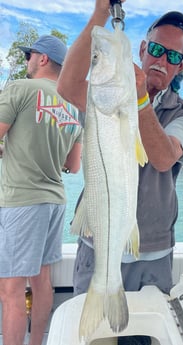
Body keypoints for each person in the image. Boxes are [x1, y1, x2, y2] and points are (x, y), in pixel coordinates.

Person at [57, 1, 183, 344]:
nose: (162, 61)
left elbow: (163, 158)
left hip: (152, 257)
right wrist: (100, 14)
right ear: (141, 49)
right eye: (155, 49)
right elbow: (67, 85)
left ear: (182, 67)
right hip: (97, 243)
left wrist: (138, 102)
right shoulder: (103, 97)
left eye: (174, 57)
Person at [0, 35, 83, 345]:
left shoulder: (20, 89)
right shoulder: (75, 107)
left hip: (22, 201)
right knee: (42, 280)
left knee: (11, 289)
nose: (27, 61)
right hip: (55, 202)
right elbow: (73, 165)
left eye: (29, 56)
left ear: (43, 59)